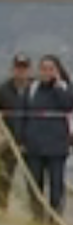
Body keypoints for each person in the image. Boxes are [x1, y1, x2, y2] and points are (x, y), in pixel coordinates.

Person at [24, 54, 73, 213]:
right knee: (34, 183)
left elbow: (69, 105)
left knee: (56, 184)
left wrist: (57, 86)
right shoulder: (32, 89)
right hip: (34, 146)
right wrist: (22, 139)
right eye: (43, 69)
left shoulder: (64, 87)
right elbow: (23, 114)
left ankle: (56, 214)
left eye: (50, 69)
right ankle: (37, 214)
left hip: (56, 146)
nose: (46, 73)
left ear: (57, 70)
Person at [0, 53, 33, 210]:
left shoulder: (35, 89)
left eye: (24, 68)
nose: (21, 72)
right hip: (9, 142)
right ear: (13, 69)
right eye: (18, 68)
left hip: (31, 142)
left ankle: (37, 214)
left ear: (29, 70)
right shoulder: (3, 90)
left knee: (33, 181)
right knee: (5, 178)